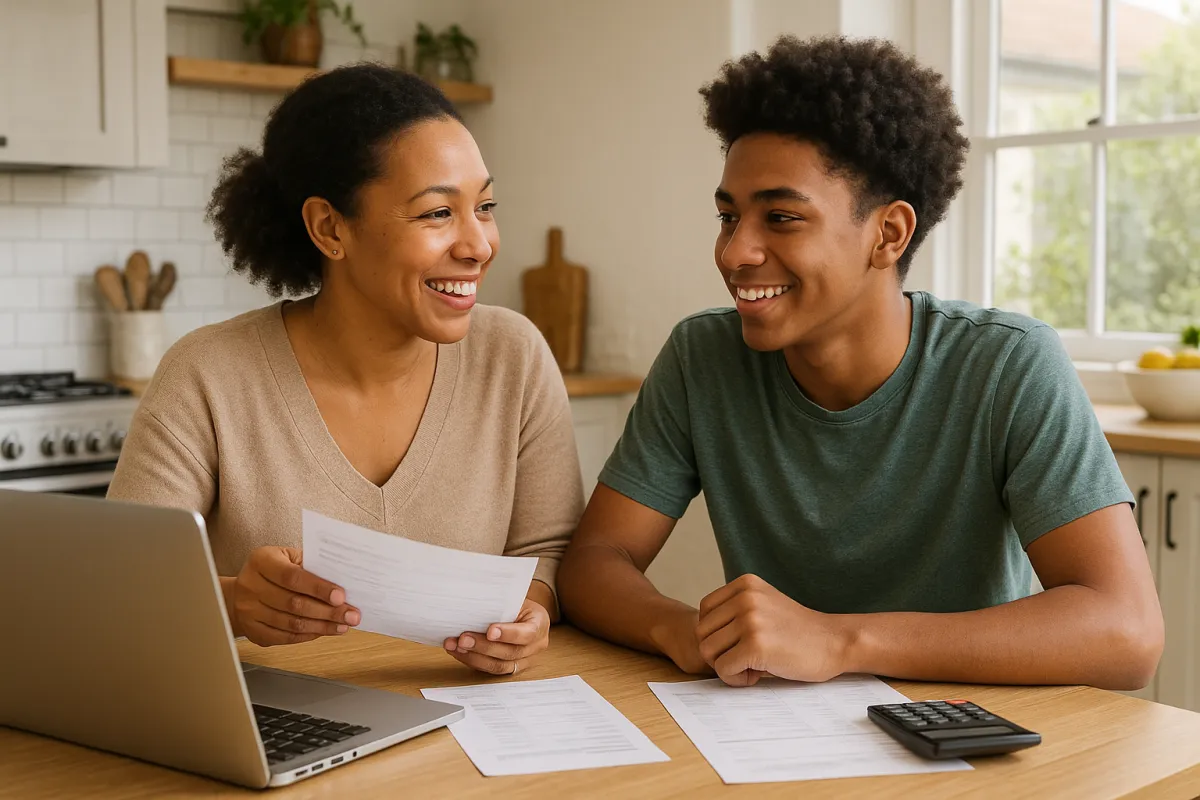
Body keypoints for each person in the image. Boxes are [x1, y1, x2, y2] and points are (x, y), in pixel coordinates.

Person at [557, 36, 1163, 690]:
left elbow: (1127, 632)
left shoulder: (1009, 367)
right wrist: (678, 630)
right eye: (728, 216)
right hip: (776, 737)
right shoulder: (702, 358)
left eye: (781, 218)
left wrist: (841, 640)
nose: (734, 252)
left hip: (970, 738)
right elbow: (594, 561)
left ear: (889, 234)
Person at [108, 64, 583, 677]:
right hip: (273, 734)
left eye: (484, 206)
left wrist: (531, 613)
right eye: (438, 213)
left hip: (464, 733)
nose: (479, 244)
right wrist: (231, 603)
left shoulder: (512, 356)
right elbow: (123, 585)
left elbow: (547, 553)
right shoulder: (207, 375)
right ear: (330, 227)